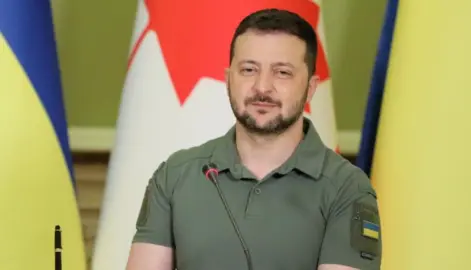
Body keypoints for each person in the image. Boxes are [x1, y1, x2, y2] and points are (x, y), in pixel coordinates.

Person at [125, 8, 381, 270]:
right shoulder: (175, 175)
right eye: (248, 70)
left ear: (310, 88)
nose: (262, 87)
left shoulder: (348, 188)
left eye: (282, 73)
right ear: (228, 80)